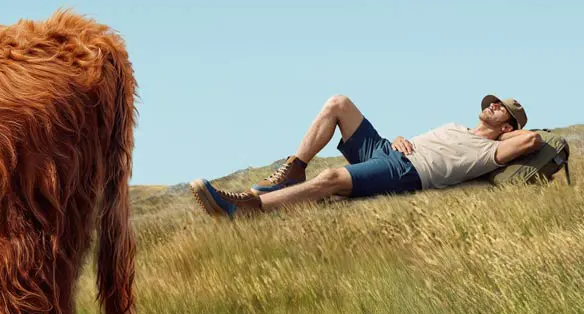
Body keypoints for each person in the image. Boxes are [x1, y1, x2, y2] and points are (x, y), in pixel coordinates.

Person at [191, 94, 542, 219]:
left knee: (330, 180)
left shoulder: (493, 149)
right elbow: (426, 141)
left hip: (407, 171)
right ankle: (295, 169)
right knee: (338, 103)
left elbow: (533, 141)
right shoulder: (456, 127)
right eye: (494, 102)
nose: (493, 105)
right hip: (389, 150)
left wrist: (516, 130)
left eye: (502, 108)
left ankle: (249, 210)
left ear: (509, 127)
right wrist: (405, 138)